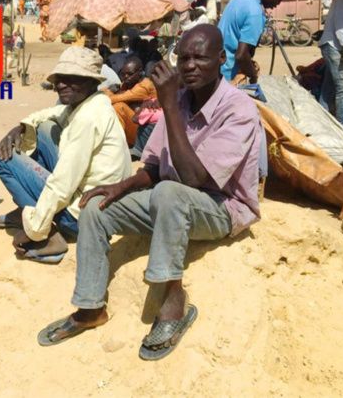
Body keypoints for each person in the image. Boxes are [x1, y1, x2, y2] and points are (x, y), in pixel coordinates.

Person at [37, 25, 262, 362]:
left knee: (170, 192)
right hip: (173, 201)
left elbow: (194, 179)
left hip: (221, 207)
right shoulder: (181, 100)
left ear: (220, 59)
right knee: (97, 206)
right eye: (183, 58)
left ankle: (173, 303)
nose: (189, 66)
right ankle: (90, 307)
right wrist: (121, 186)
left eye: (200, 58)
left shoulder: (238, 109)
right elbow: (155, 166)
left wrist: (168, 104)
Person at [0, 46, 131, 263]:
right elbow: (53, 113)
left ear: (91, 81)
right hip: (98, 204)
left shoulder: (87, 119)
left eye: (71, 79)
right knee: (45, 129)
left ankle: (48, 235)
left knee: (3, 159)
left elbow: (62, 185)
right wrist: (20, 127)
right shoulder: (94, 102)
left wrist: (34, 229)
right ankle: (29, 208)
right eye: (59, 79)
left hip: (83, 218)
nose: (61, 85)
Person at [218, 0, 293, 83]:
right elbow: (241, 55)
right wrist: (253, 75)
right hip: (228, 76)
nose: (279, 3)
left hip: (216, 68)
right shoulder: (255, 12)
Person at [103, 57, 157, 149]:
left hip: (146, 132)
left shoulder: (145, 86)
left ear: (140, 72)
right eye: (123, 74)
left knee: (119, 107)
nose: (126, 77)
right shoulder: (129, 83)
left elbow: (114, 99)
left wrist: (107, 92)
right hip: (137, 126)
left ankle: (115, 145)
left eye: (130, 74)